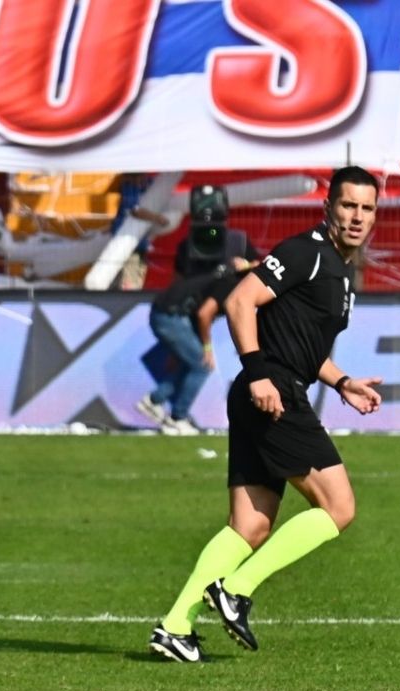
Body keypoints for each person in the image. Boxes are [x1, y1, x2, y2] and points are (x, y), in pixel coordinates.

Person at [149, 167, 385, 664]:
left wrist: (343, 382)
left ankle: (175, 627)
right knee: (339, 507)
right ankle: (236, 590)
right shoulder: (307, 252)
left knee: (249, 526)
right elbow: (240, 301)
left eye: (366, 208)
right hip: (271, 390)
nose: (357, 216)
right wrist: (257, 373)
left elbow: (300, 344)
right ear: (329, 206)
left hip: (271, 387)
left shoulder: (340, 271)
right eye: (348, 205)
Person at [134, 266, 251, 435]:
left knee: (192, 364)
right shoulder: (232, 285)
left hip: (169, 314)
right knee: (202, 365)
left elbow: (197, 314)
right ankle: (175, 417)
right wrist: (207, 348)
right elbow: (204, 314)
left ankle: (155, 401)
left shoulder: (226, 281)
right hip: (170, 316)